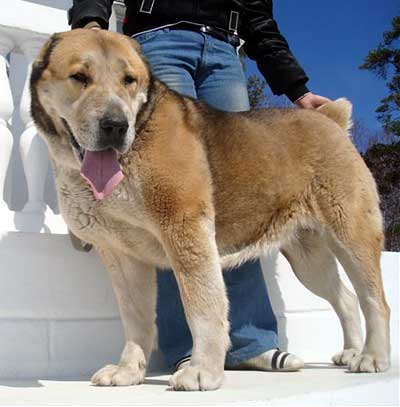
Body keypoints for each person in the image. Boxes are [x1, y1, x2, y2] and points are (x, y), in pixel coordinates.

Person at [68, 0, 330, 372]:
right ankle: (187, 346)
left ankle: (249, 340)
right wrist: (89, 23)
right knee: (170, 198)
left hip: (225, 53)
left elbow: (259, 20)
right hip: (157, 43)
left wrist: (297, 89)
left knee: (235, 197)